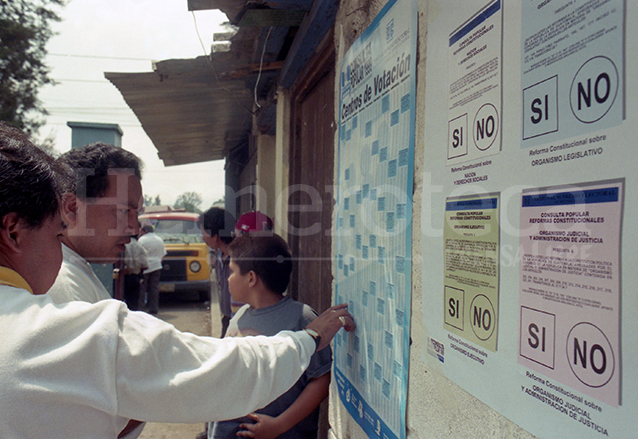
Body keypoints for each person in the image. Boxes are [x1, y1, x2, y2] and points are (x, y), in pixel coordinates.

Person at [0, 122, 355, 439]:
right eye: (126, 210)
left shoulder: (59, 289)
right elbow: (207, 373)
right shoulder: (60, 305)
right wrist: (307, 340)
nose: (135, 227)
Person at [208, 233, 333, 439]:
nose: (227, 279)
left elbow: (321, 379)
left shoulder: (302, 319)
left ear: (251, 278)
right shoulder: (239, 316)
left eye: (232, 272)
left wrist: (279, 425)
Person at [47, 142, 144, 305]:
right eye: (124, 211)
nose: (134, 228)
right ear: (73, 208)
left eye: (136, 214)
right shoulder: (63, 289)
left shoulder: (70, 272)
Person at [137, 222, 166, 314]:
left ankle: (141, 309)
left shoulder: (142, 240)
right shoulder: (159, 239)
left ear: (144, 231)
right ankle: (154, 308)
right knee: (154, 288)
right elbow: (163, 254)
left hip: (145, 267)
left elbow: (139, 254)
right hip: (157, 266)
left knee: (142, 289)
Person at [123, 233, 148, 311]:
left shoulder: (122, 246)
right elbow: (145, 265)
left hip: (124, 277)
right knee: (134, 301)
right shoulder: (140, 246)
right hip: (135, 277)